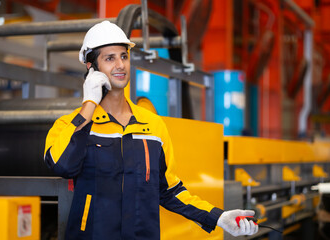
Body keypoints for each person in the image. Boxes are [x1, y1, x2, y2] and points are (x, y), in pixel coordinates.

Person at [44, 20, 258, 240]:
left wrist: (218, 218)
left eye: (124, 56)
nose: (120, 65)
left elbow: (170, 190)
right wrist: (89, 103)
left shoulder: (152, 125)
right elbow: (62, 165)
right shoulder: (70, 125)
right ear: (91, 67)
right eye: (109, 58)